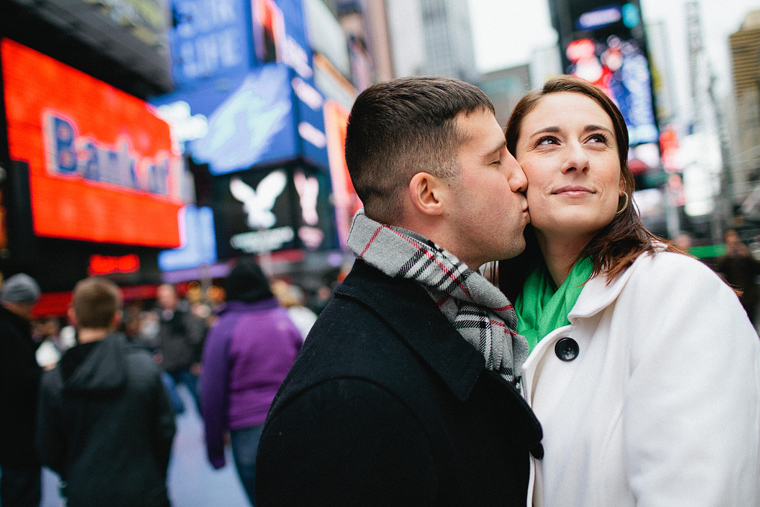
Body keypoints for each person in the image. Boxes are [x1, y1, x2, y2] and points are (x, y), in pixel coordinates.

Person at [255, 76, 543, 507]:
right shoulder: (347, 400)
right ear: (429, 193)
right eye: (496, 159)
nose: (520, 176)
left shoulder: (458, 319)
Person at [499, 75, 760, 506]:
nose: (577, 159)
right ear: (514, 175)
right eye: (548, 142)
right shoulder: (487, 312)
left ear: (621, 181)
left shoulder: (679, 294)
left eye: (597, 140)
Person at [36, 277, 176, 507]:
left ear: (73, 317)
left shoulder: (54, 380)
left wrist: (75, 473)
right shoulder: (143, 367)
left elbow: (47, 447)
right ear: (116, 318)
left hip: (84, 493)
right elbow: (164, 431)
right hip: (143, 490)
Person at [201, 258, 302, 506]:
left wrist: (214, 449)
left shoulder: (224, 327)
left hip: (247, 433)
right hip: (292, 424)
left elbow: (211, 391)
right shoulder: (285, 321)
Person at [0, 273, 42, 507]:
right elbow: (19, 381)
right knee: (22, 491)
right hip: (18, 433)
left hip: (13, 432)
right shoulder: (8, 333)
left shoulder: (10, 329)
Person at [154, 283, 207, 413]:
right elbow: (159, 340)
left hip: (187, 365)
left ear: (174, 296)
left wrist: (197, 360)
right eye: (161, 297)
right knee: (171, 402)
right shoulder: (161, 317)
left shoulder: (185, 313)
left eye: (166, 296)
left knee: (199, 399)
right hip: (168, 366)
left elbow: (196, 337)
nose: (163, 299)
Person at [716, 229, 760, 325]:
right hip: (734, 297)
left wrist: (746, 255)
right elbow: (720, 271)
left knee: (752, 322)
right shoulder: (725, 258)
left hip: (749, 296)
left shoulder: (745, 254)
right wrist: (727, 255)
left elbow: (757, 269)